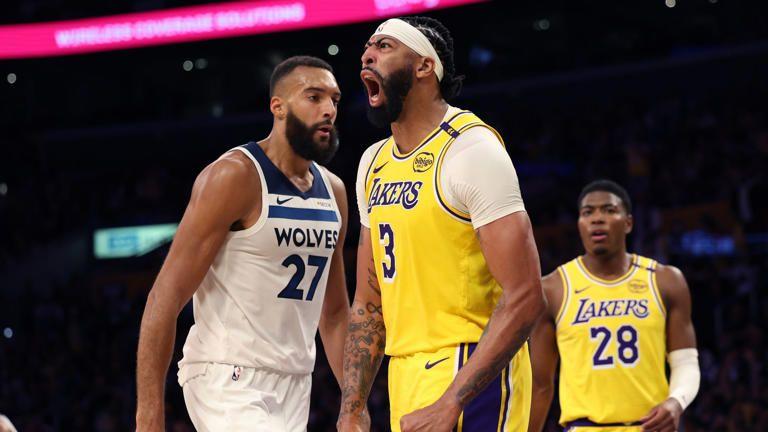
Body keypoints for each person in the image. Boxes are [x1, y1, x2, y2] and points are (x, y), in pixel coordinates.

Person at [337, 17, 545, 432]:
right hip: (404, 371)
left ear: (424, 66)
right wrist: (352, 406)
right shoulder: (372, 163)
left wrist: (453, 400)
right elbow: (369, 301)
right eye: (367, 47)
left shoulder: (471, 148)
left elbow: (525, 295)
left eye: (384, 45)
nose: (367, 54)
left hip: (470, 367)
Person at [135, 55, 350, 431]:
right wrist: (148, 414)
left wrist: (355, 402)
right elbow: (165, 296)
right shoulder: (235, 176)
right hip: (227, 375)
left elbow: (333, 315)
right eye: (314, 97)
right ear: (278, 107)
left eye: (334, 99)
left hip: (296, 383)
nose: (329, 109)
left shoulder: (334, 192)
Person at [528, 180, 700, 432]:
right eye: (588, 212)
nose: (597, 219)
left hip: (650, 426)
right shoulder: (553, 289)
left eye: (609, 210)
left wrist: (677, 402)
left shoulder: (665, 280)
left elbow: (685, 363)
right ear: (579, 224)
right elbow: (540, 385)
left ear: (628, 223)